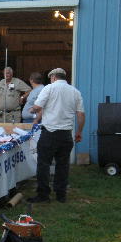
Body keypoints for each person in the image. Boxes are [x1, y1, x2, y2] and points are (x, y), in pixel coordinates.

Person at [27, 68, 85, 203]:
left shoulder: (49, 88)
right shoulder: (75, 92)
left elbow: (37, 106)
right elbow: (81, 115)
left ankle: (43, 195)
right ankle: (61, 195)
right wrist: (79, 132)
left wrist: (32, 109)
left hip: (49, 133)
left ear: (53, 77)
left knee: (43, 164)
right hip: (66, 135)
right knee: (63, 165)